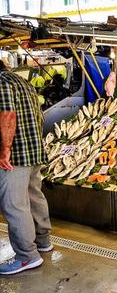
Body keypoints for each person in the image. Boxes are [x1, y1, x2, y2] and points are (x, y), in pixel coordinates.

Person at [0, 60, 52, 275]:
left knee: (14, 205)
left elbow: (7, 116)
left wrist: (5, 150)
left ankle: (26, 256)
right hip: (34, 151)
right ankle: (43, 241)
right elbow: (38, 116)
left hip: (16, 155)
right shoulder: (22, 82)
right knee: (34, 197)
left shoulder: (1, 83)